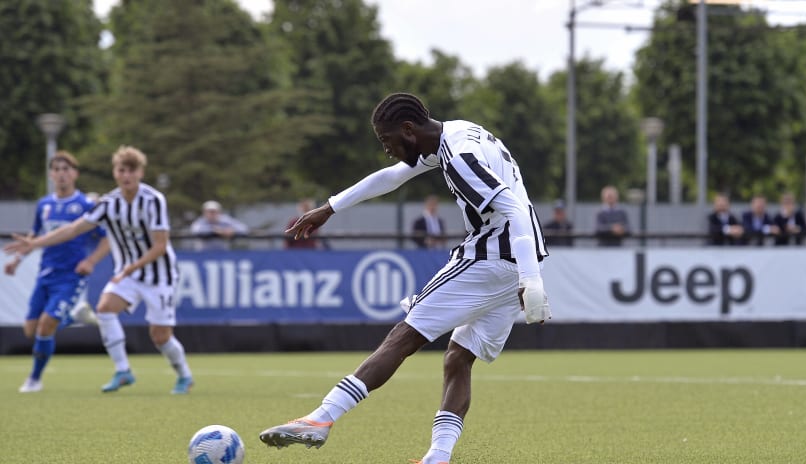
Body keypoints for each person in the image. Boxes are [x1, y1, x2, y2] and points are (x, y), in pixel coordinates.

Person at [259, 93, 550, 464]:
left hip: (493, 255)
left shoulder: (459, 158)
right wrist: (330, 207)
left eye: (387, 141)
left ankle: (321, 418)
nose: (388, 151)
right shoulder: (456, 134)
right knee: (459, 357)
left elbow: (509, 205)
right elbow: (394, 177)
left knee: (405, 334)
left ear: (408, 130)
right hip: (520, 258)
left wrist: (530, 279)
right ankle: (438, 457)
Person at [5, 146, 194, 395]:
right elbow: (72, 229)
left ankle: (184, 375)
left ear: (141, 172)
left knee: (160, 337)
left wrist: (129, 269)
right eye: (121, 170)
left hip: (159, 276)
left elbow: (160, 246)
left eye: (131, 170)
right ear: (115, 172)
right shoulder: (108, 203)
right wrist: (34, 243)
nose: (126, 175)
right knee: (104, 308)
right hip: (127, 273)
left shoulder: (153, 200)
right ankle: (123, 370)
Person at [3, 151, 109, 393]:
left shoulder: (84, 205)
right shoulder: (44, 204)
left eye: (66, 169)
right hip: (45, 275)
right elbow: (34, 238)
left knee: (45, 325)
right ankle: (73, 318)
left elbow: (107, 240)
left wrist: (91, 261)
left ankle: (34, 380)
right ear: (51, 174)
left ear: (75, 174)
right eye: (57, 169)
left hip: (71, 276)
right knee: (31, 330)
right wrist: (17, 260)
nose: (61, 174)